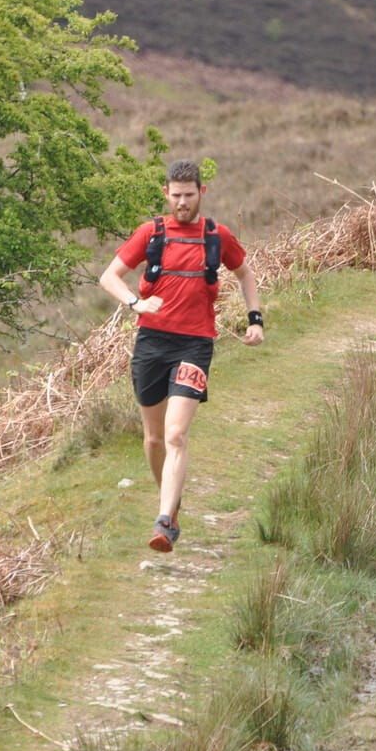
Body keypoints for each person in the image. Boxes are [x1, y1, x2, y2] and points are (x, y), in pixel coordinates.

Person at [98, 158, 264, 552]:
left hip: (195, 344)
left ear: (202, 193)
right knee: (154, 438)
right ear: (166, 194)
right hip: (151, 343)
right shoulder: (150, 232)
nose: (183, 203)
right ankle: (170, 504)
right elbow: (108, 277)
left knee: (176, 434)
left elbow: (245, 274)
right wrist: (135, 304)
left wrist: (254, 319)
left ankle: (163, 518)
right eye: (176, 196)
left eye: (190, 196)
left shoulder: (217, 235)